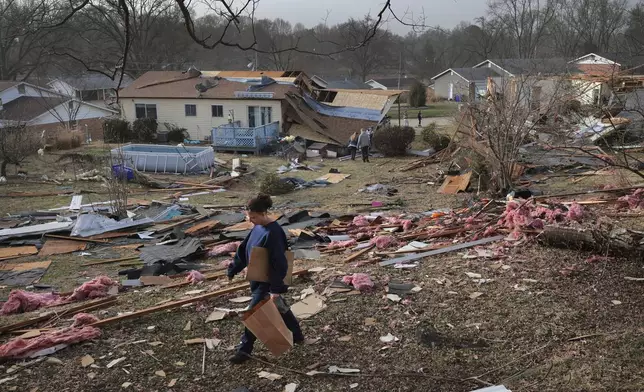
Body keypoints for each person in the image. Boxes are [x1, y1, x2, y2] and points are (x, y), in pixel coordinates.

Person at [227, 194, 304, 364]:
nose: (251, 220)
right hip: (257, 278)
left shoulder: (274, 232)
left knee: (253, 314)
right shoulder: (257, 228)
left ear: (263, 213)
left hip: (268, 281)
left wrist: (275, 289)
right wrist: (233, 269)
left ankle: (244, 350)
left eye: (254, 217)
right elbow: (244, 249)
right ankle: (297, 335)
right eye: (249, 217)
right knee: (279, 306)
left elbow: (280, 263)